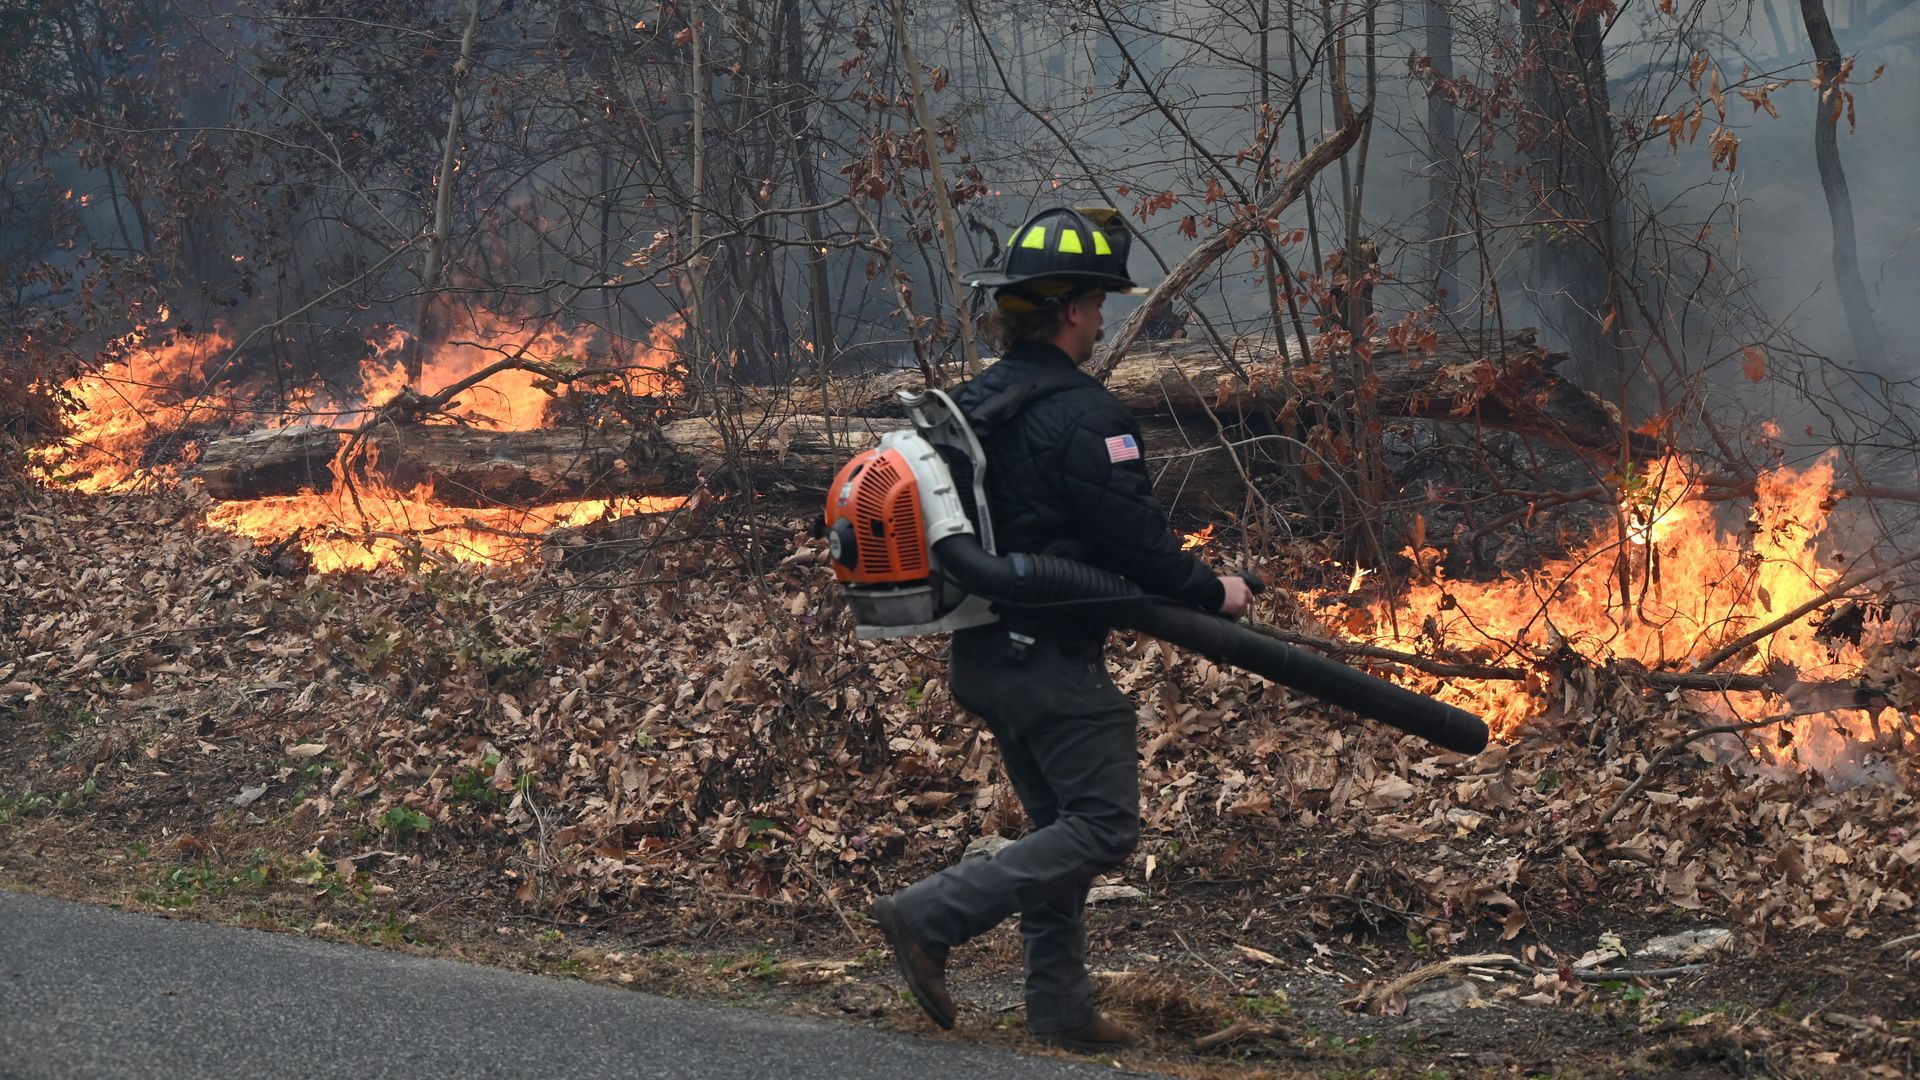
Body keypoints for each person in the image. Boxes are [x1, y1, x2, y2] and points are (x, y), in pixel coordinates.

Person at [871, 207, 1254, 1052]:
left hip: (986, 656)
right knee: (1104, 828)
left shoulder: (971, 405)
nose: (1102, 320)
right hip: (1049, 665)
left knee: (1060, 835)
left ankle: (1061, 1011)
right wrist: (1214, 590)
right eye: (1100, 305)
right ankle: (927, 917)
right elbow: (1139, 547)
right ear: (1075, 310)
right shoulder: (1088, 416)